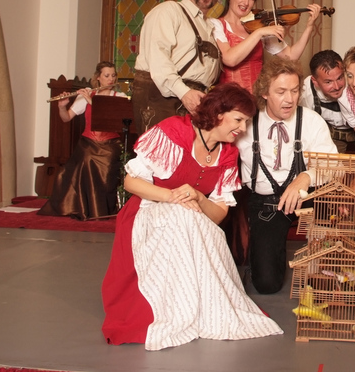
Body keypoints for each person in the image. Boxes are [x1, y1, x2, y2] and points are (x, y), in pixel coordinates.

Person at [101, 83, 282, 350]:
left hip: (190, 218)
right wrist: (173, 197)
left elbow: (218, 214)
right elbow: (131, 183)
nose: (243, 129)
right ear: (219, 113)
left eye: (246, 122)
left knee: (194, 222)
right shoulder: (174, 132)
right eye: (239, 120)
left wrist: (197, 196)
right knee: (182, 216)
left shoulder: (228, 154)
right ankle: (170, 309)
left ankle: (197, 305)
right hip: (147, 211)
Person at [237, 57, 338, 294]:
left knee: (323, 281)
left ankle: (320, 264)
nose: (290, 99)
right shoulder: (246, 122)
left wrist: (306, 177)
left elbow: (334, 166)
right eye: (281, 91)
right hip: (266, 203)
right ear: (264, 93)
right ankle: (268, 255)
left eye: (294, 91)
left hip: (307, 198)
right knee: (267, 284)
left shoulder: (311, 121)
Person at [132, 0, 225, 134]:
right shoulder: (168, 11)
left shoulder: (209, 26)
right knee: (160, 158)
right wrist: (184, 93)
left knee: (188, 159)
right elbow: (158, 59)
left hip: (194, 100)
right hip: (161, 97)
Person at [38, 61, 126, 220]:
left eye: (113, 75)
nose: (110, 79)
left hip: (110, 145)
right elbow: (66, 118)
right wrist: (62, 106)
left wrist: (92, 101)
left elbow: (110, 119)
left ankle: (101, 209)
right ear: (98, 77)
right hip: (88, 143)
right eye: (106, 76)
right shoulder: (86, 95)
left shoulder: (118, 97)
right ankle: (79, 207)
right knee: (74, 167)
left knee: (96, 164)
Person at [212, 0, 322, 92]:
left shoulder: (257, 26)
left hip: (256, 97)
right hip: (229, 97)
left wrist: (309, 27)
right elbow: (230, 59)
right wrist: (259, 32)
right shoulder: (216, 24)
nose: (246, 2)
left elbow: (291, 56)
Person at [299, 50, 355, 154]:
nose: (337, 87)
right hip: (332, 137)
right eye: (328, 82)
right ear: (315, 82)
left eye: (340, 78)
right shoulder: (305, 92)